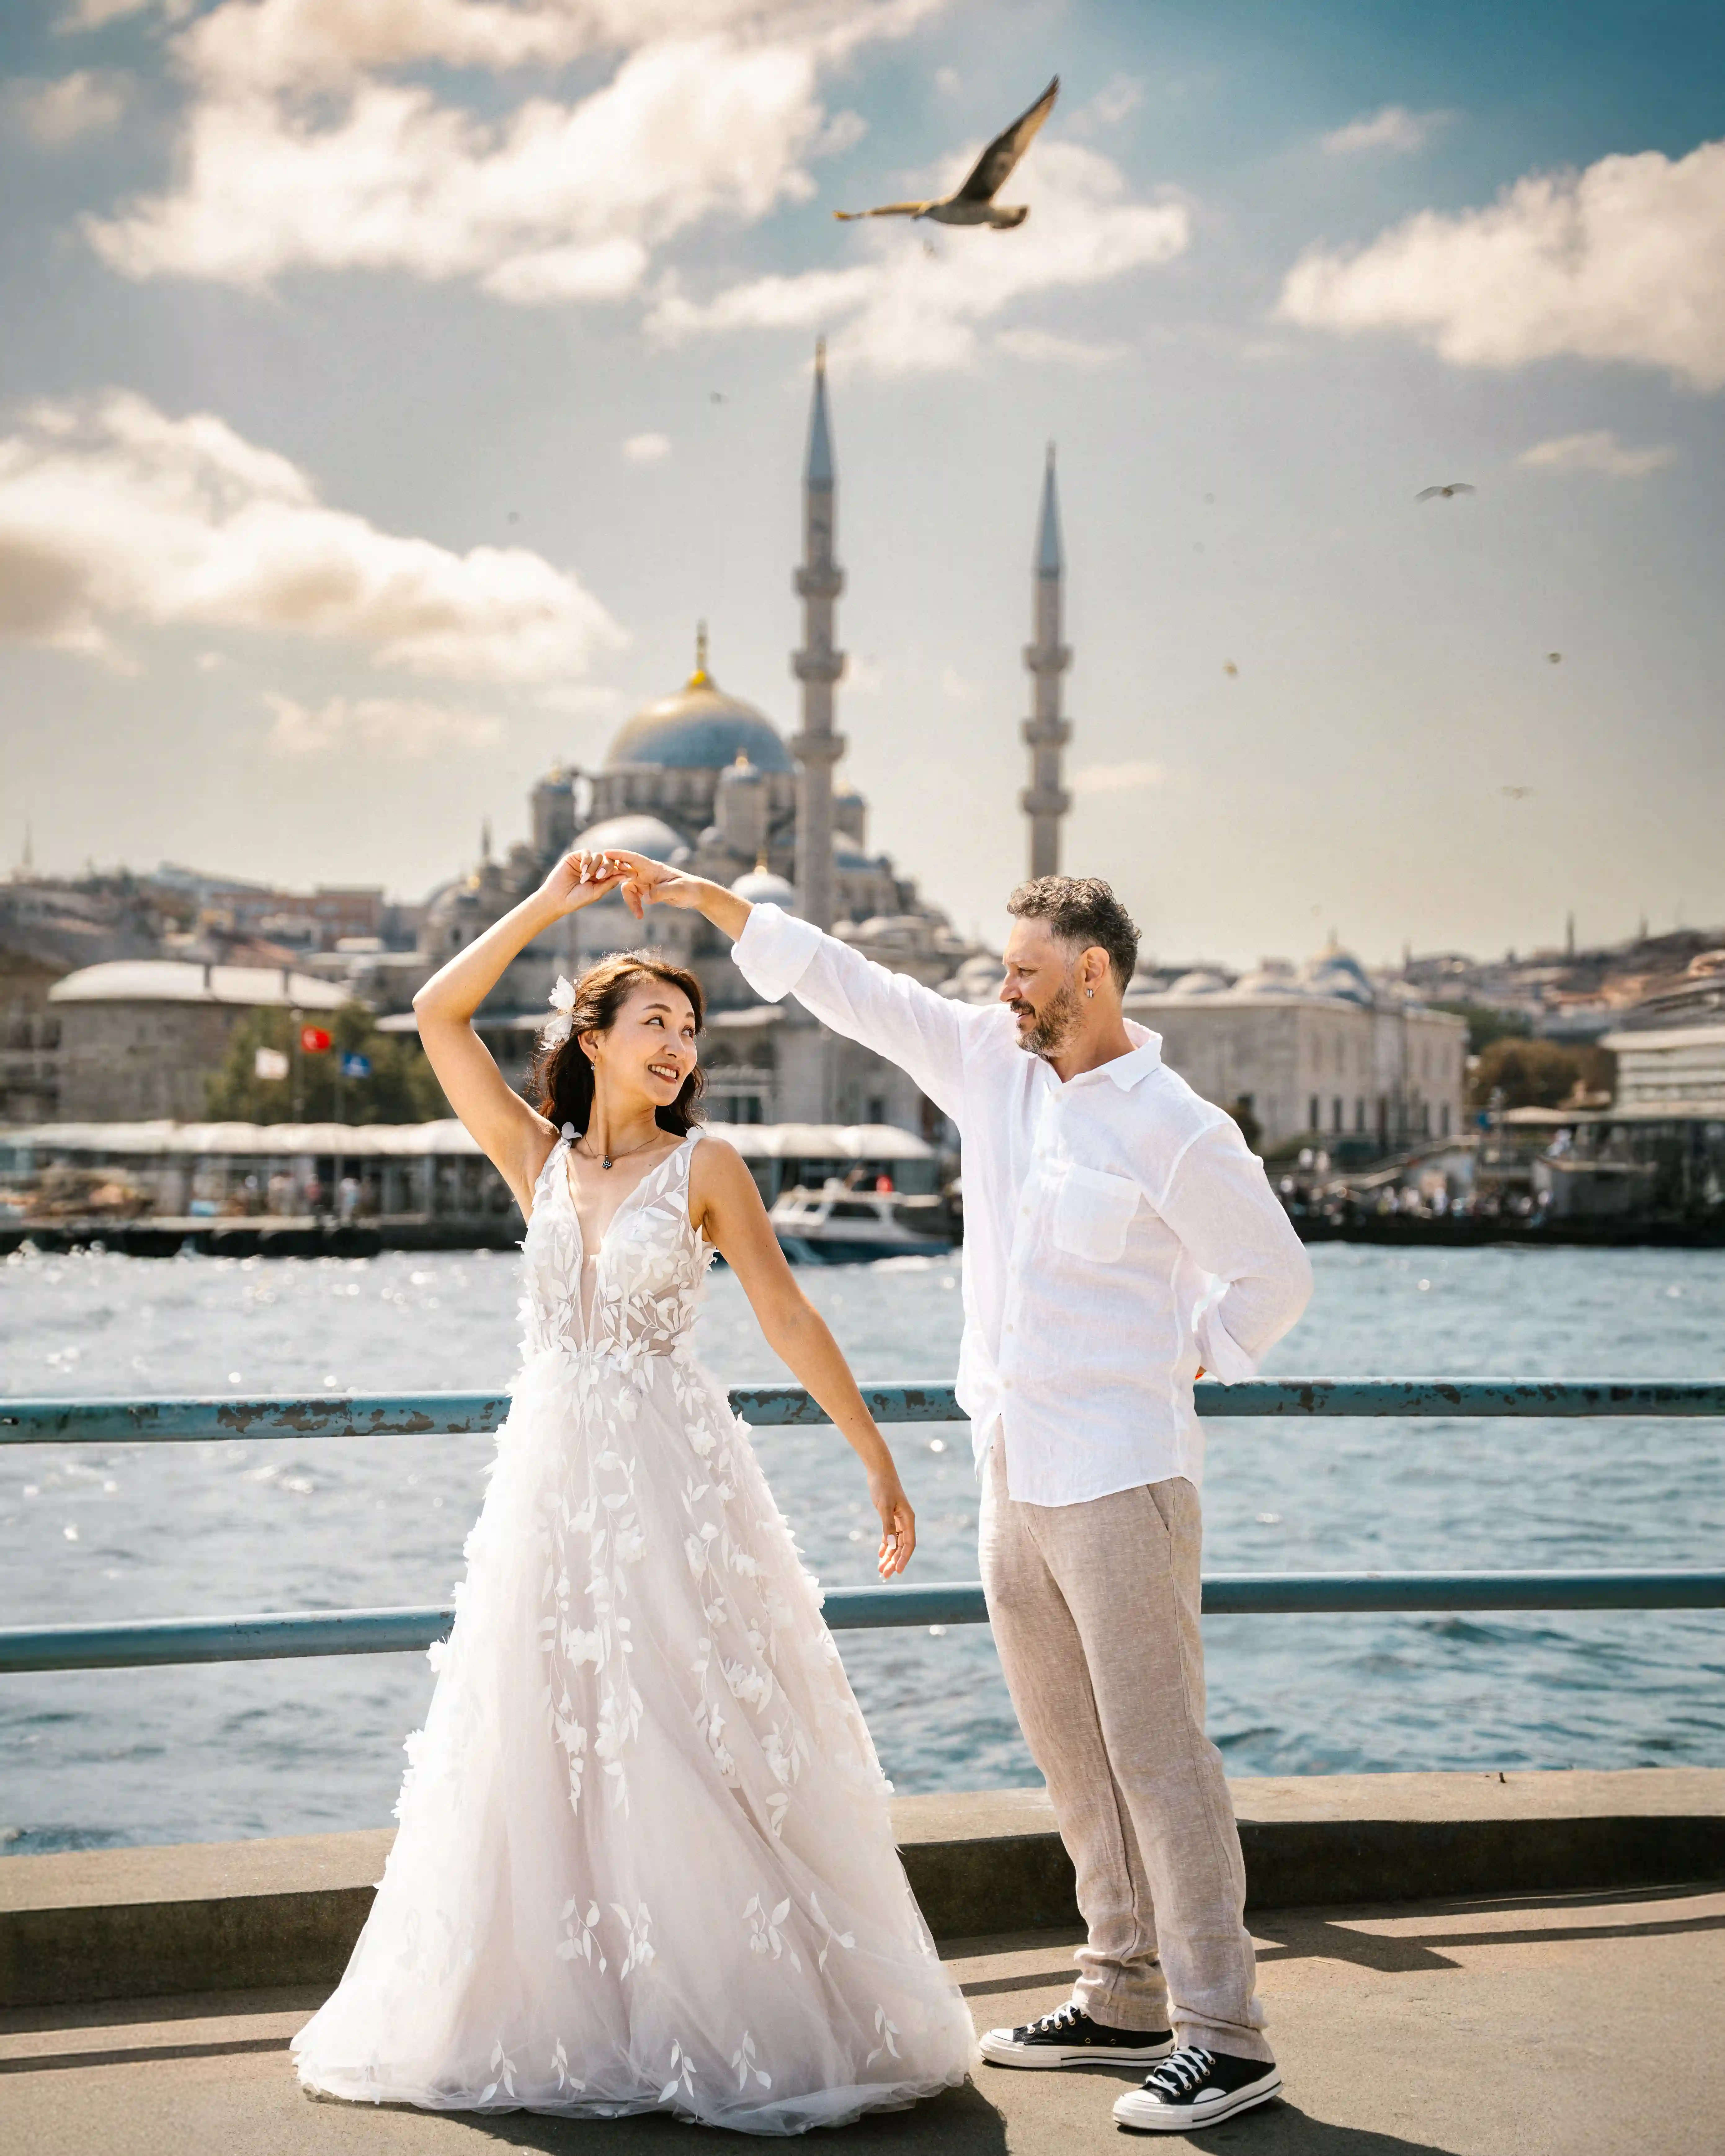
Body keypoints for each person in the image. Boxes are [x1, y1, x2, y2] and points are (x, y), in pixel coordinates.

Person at [614, 854, 1313, 2136]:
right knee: (1069, 1752)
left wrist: (1187, 1350)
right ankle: (1120, 1993)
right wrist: (697, 891)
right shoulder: (988, 1063)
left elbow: (1274, 1278)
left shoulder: (1174, 1125)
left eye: (1025, 972)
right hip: (1012, 1467)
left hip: (1122, 1473)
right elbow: (842, 981)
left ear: (1090, 975)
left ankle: (1226, 2033)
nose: (1004, 991)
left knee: (1160, 1758)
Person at [291, 847, 976, 2133]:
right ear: (590, 1037)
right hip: (550, 1479)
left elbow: (783, 1312)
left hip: (675, 1478)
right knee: (547, 1733)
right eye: (654, 1021)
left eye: (691, 1028)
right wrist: (551, 905)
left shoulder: (707, 1166)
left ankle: (729, 2013)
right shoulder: (535, 1160)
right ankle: (585, 2015)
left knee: (690, 1728)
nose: (678, 1043)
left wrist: (875, 1456)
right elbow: (439, 1010)